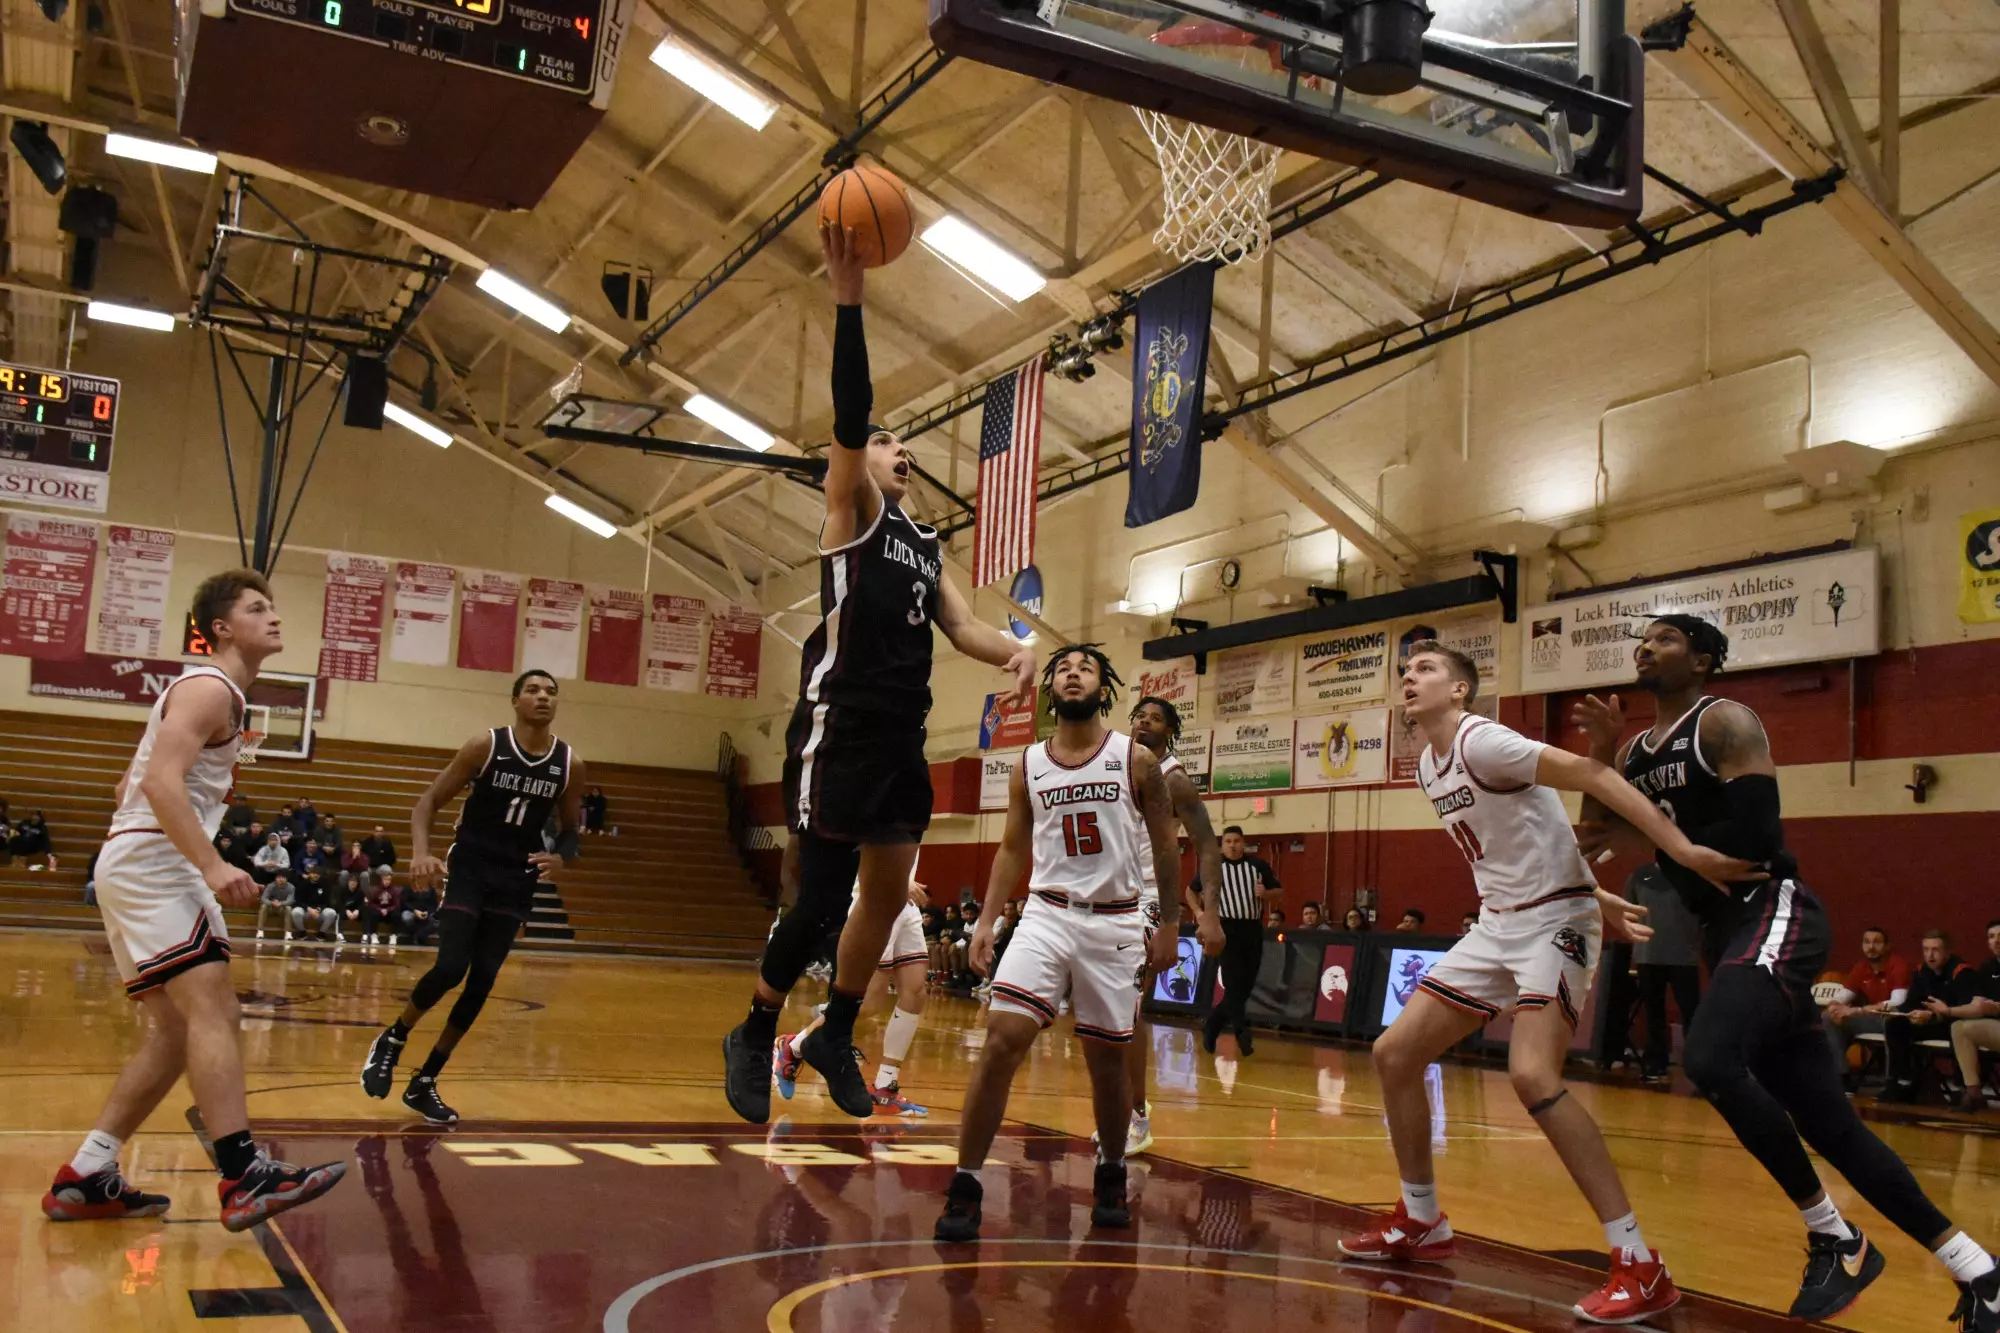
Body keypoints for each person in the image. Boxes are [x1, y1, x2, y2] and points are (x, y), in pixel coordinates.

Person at [1575, 614, 2000, 1326]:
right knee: (1830, 1125)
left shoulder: (1724, 722)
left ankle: (1836, 1235)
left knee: (1708, 1058)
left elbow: (1755, 838)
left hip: (1774, 912)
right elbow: (1595, 834)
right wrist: (1598, 754)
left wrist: (1663, 837)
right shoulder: (1635, 754)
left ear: (1703, 660)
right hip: (1725, 933)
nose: (1646, 646)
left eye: (1666, 638)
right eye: (1642, 638)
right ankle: (1980, 1271)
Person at [722, 219, 1035, 1128]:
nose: (902, 452)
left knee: (889, 893)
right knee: (822, 900)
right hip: (841, 725)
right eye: (889, 442)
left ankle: (834, 1032)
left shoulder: (926, 544)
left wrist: (1015, 650)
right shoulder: (852, 510)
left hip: (902, 734)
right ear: (862, 458)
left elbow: (963, 625)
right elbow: (852, 413)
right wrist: (849, 302)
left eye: (907, 448)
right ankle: (755, 1025)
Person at [1341, 640, 1753, 1323]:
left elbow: (1590, 776)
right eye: (1405, 670)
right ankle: (1422, 1219)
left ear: (1460, 690)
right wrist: (1595, 888)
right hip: (1499, 923)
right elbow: (1534, 828)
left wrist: (1678, 851)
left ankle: (1640, 1263)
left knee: (1532, 1075)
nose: (1409, 677)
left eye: (1426, 669)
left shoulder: (1483, 741)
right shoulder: (1428, 766)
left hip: (1553, 924)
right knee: (1395, 1053)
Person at [41, 568, 345, 1230]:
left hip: (142, 861)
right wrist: (209, 863)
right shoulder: (210, 688)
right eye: (256, 608)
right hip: (156, 864)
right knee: (213, 1009)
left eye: (273, 605)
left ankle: (88, 1172)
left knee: (178, 1030)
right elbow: (157, 783)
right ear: (221, 629)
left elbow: (127, 783)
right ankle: (243, 1174)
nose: (274, 616)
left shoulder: (209, 693)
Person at [934, 645, 1182, 1243]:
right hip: (1045, 915)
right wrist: (987, 920)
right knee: (1001, 1040)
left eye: (1086, 668)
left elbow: (1166, 845)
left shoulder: (1135, 759)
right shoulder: (1028, 764)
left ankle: (1111, 1171)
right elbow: (1012, 846)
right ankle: (966, 1183)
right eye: (1063, 669)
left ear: (1104, 689)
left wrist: (1171, 924)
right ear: (1050, 689)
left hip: (1116, 921)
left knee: (1107, 1062)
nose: (1073, 674)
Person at [360, 670, 583, 1124]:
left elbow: (571, 830)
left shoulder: (569, 764)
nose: (543, 697)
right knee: (451, 966)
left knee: (481, 981)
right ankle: (393, 1038)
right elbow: (426, 804)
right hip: (471, 867)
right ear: (515, 701)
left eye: (551, 692)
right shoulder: (487, 745)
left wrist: (561, 856)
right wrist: (421, 853)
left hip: (516, 877)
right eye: (532, 690)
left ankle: (425, 1081)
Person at [1114, 695, 1223, 1156]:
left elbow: (1208, 844)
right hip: (1109, 898)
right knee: (1105, 1013)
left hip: (1149, 900)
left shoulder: (1174, 779)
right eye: (1140, 716)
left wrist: (1209, 912)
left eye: (1156, 718)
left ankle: (1136, 1116)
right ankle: (1123, 1110)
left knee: (1126, 1005)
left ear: (1170, 731)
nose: (1145, 723)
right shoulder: (1118, 767)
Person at [774, 847, 938, 1117]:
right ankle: (792, 1046)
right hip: (874, 899)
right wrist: (897, 879)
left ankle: (885, 1086)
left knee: (915, 992)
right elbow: (859, 843)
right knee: (867, 1004)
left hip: (904, 904)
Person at [1202, 825, 1280, 1055]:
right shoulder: (1215, 868)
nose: (1233, 845)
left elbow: (1279, 892)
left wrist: (1266, 894)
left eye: (1236, 841)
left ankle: (1213, 1024)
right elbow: (1191, 890)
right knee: (1234, 984)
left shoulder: (1257, 866)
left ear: (1243, 843)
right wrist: (1200, 915)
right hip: (1227, 930)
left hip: (1252, 929)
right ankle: (1240, 1031)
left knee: (1244, 987)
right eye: (1228, 841)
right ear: (1222, 845)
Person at [1881, 931, 1975, 1103]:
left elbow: (1965, 1009)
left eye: (1935, 950)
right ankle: (1902, 1081)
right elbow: (1911, 1003)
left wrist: (1932, 1014)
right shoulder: (1921, 970)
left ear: (1947, 951)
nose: (1930, 955)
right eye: (1926, 950)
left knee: (1958, 1028)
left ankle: (1961, 1088)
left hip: (1953, 1022)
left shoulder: (1961, 972)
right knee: (1895, 1024)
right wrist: (1909, 1013)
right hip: (1930, 1022)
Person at [1630, 863, 1702, 1085]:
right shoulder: (1639, 876)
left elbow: (1706, 912)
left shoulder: (1692, 874)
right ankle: (1655, 1064)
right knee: (1654, 1015)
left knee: (1692, 1014)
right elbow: (1628, 909)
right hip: (1648, 954)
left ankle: (1697, 1067)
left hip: (1684, 956)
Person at [1824, 926, 1913, 1075]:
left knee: (1891, 1022)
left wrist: (1858, 1011)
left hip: (1896, 1020)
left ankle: (1894, 1079)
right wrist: (1834, 1007)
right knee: (1828, 1017)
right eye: (1866, 942)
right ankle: (1841, 1076)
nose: (1871, 947)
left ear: (1887, 946)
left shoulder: (1898, 965)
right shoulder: (1861, 967)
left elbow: (1898, 1002)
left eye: (1877, 942)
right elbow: (1842, 996)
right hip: (1872, 1019)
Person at [1940, 920, 2000, 1113]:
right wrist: (1947, 1011)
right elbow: (1977, 1005)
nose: (1996, 941)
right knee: (1958, 1028)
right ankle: (1973, 1092)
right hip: (1995, 1027)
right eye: (1991, 937)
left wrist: (1996, 1008)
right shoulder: (1988, 968)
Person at [292, 869, 337, 942]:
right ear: (310, 874)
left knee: (332, 913)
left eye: (318, 873)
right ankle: (302, 932)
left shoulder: (325, 884)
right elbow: (298, 901)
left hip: (319, 911)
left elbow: (327, 901)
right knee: (295, 912)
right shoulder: (302, 884)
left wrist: (318, 909)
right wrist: (308, 909)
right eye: (313, 873)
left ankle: (321, 933)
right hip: (305, 910)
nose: (315, 875)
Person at [364, 872, 402, 946]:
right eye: (385, 879)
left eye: (388, 879)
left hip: (389, 912)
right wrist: (380, 909)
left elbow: (396, 905)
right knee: (372, 912)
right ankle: (373, 935)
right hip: (379, 911)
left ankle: (393, 935)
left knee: (396, 913)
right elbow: (372, 903)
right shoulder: (376, 890)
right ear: (382, 880)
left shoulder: (394, 890)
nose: (387, 881)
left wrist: (387, 910)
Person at [400, 875, 439, 946]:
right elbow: (404, 902)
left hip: (426, 912)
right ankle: (417, 935)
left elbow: (434, 904)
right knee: (406, 917)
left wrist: (428, 912)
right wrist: (414, 911)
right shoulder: (408, 888)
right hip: (412, 911)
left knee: (437, 921)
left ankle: (420, 935)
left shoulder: (431, 890)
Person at [256, 873, 295, 941]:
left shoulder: (291, 887)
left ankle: (288, 933)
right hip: (271, 907)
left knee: (289, 908)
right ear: (276, 879)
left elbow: (290, 900)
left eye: (283, 877)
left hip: (282, 908)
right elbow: (263, 898)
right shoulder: (270, 886)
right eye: (279, 877)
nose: (281, 879)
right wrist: (272, 903)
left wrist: (281, 903)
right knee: (263, 906)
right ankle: (260, 931)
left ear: (286, 879)